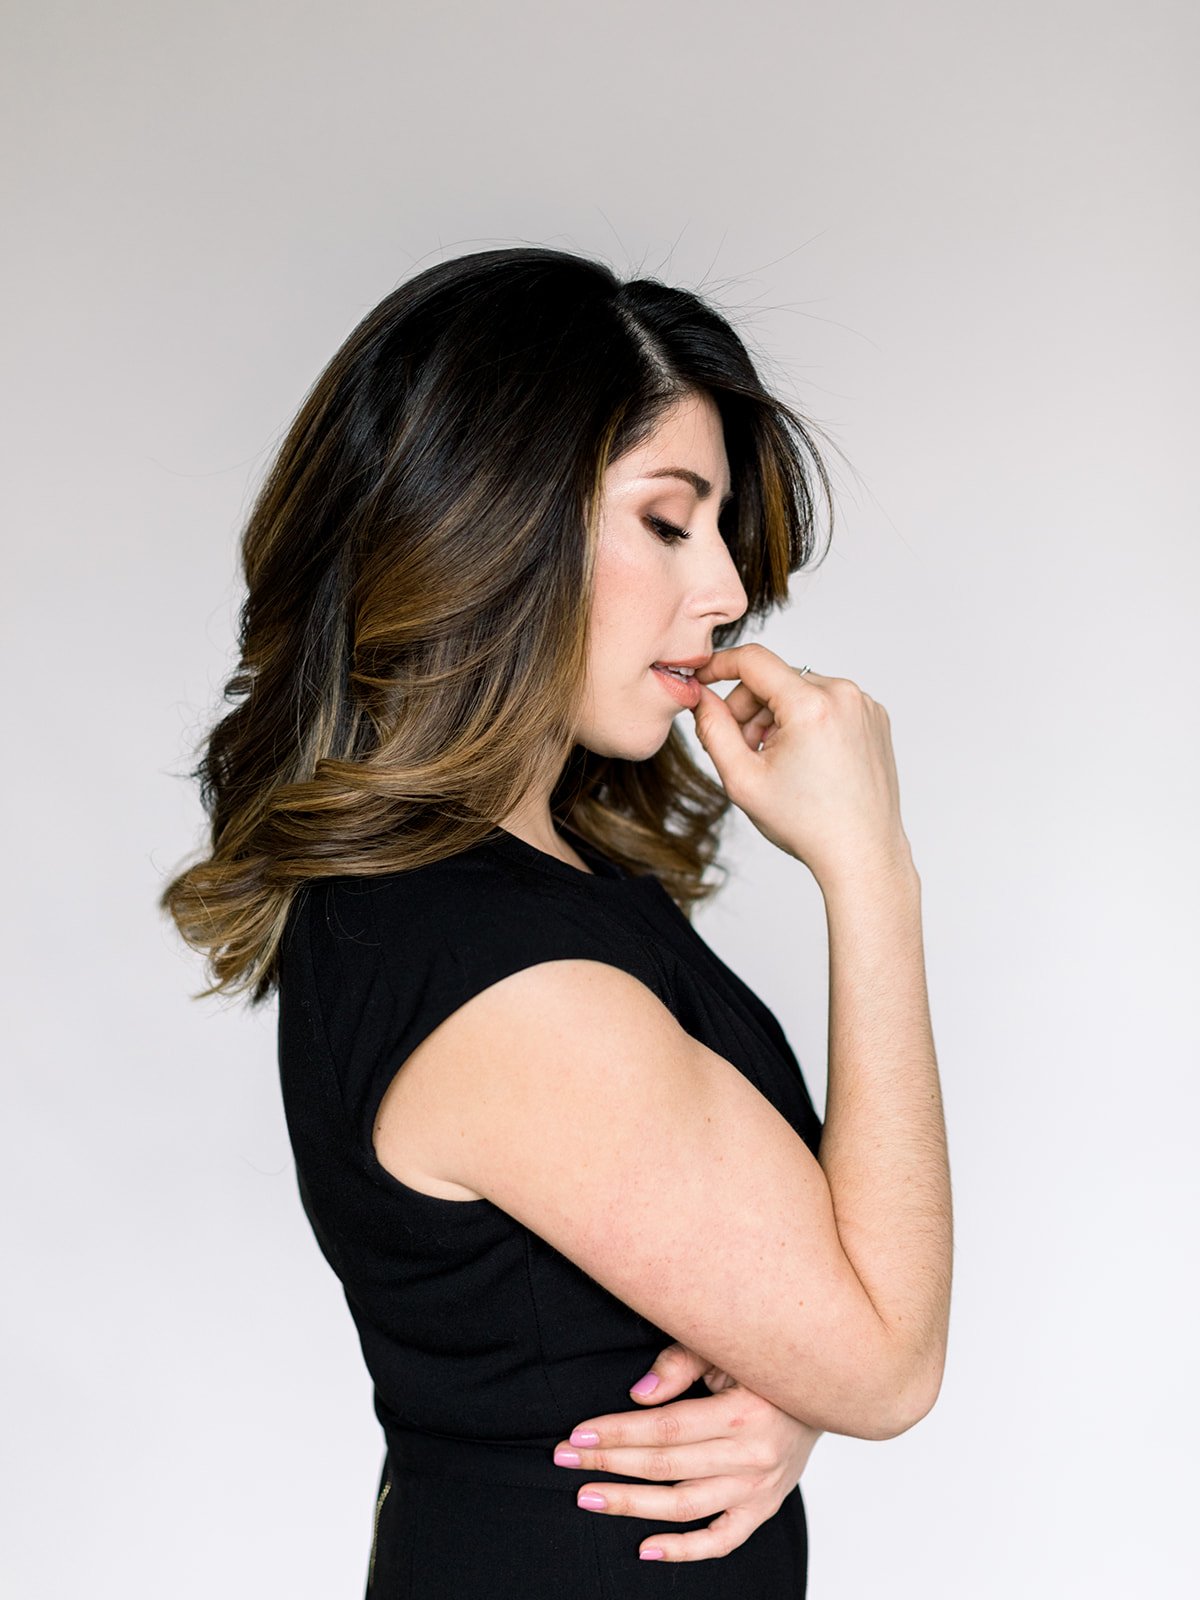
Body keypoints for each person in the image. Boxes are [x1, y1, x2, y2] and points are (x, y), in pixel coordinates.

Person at [159, 245, 952, 1597]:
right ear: (492, 520)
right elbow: (886, 1358)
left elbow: (803, 1307)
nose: (725, 592)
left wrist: (788, 1379)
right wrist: (872, 868)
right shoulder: (502, 979)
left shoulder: (527, 885)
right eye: (666, 520)